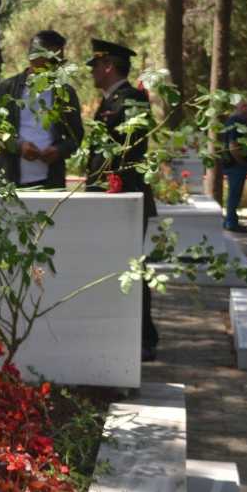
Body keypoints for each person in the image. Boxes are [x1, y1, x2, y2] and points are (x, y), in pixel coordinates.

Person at [85, 38, 159, 361]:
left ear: (108, 66)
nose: (92, 72)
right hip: (113, 198)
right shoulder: (112, 100)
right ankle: (134, 333)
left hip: (124, 197)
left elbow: (127, 152)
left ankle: (143, 338)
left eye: (96, 66)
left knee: (132, 266)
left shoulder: (129, 100)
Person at [0, 30, 84, 188]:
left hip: (51, 183)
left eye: (58, 60)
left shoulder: (65, 93)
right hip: (7, 182)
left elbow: (76, 135)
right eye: (49, 59)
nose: (54, 65)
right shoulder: (3, 90)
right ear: (32, 57)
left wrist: (59, 150)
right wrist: (18, 146)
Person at [221, 100, 247, 232]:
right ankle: (231, 222)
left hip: (232, 163)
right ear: (240, 108)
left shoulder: (232, 121)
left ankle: (230, 220)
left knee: (234, 194)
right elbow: (232, 146)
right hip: (235, 164)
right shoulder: (236, 122)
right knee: (234, 194)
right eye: (246, 107)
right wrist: (242, 162)